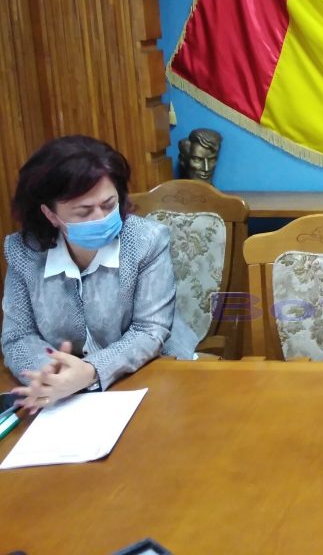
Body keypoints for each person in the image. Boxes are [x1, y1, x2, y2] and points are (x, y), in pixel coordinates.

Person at [2, 135, 198, 413]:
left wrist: (91, 371)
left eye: (108, 205)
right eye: (84, 211)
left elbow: (149, 331)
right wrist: (52, 375)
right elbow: (18, 336)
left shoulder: (147, 240)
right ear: (50, 214)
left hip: (148, 373)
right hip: (66, 398)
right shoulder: (24, 252)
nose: (100, 218)